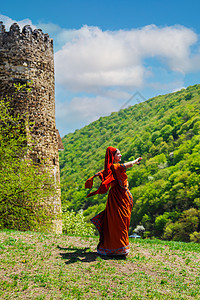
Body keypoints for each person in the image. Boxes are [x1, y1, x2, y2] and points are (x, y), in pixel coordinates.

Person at [85, 146, 142, 256]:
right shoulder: (115, 167)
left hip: (120, 197)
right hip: (117, 198)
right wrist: (135, 161)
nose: (120, 155)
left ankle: (119, 248)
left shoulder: (111, 167)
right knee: (118, 222)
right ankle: (118, 248)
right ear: (113, 156)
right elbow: (126, 165)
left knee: (121, 221)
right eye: (118, 154)